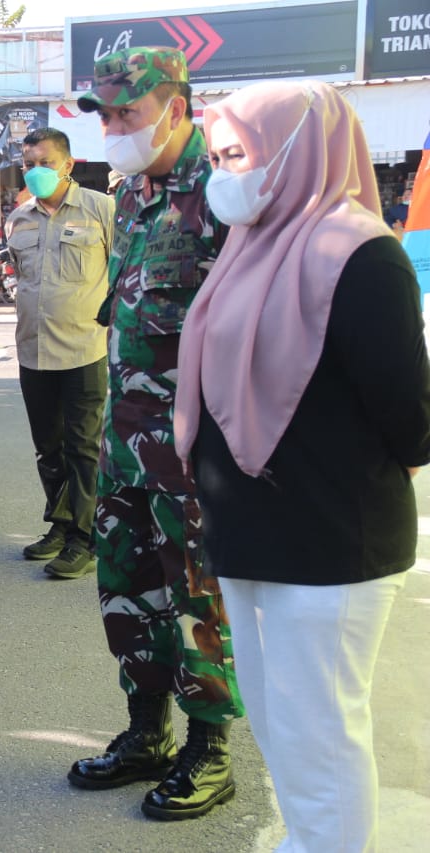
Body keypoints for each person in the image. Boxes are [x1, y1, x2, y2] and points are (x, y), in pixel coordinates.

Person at [175, 80, 430, 852]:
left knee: (320, 736)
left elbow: (411, 419)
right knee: (281, 729)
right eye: (218, 156)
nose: (224, 173)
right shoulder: (250, 245)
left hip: (330, 543)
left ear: (299, 151)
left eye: (238, 154)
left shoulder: (362, 255)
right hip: (251, 536)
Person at [67, 48, 243, 820]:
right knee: (127, 585)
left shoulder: (224, 193)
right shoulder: (133, 195)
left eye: (126, 112)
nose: (112, 127)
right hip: (125, 442)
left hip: (194, 450)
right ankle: (147, 730)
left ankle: (210, 746)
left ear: (175, 108)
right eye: (104, 114)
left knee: (196, 593)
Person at [4, 128, 114, 578]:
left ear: (68, 165)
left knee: (83, 448)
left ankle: (85, 540)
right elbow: (21, 278)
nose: (35, 171)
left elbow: (122, 271)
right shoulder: (19, 219)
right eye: (28, 164)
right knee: (47, 447)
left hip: (85, 349)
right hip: (33, 350)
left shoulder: (101, 209)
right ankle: (61, 523)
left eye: (45, 163)